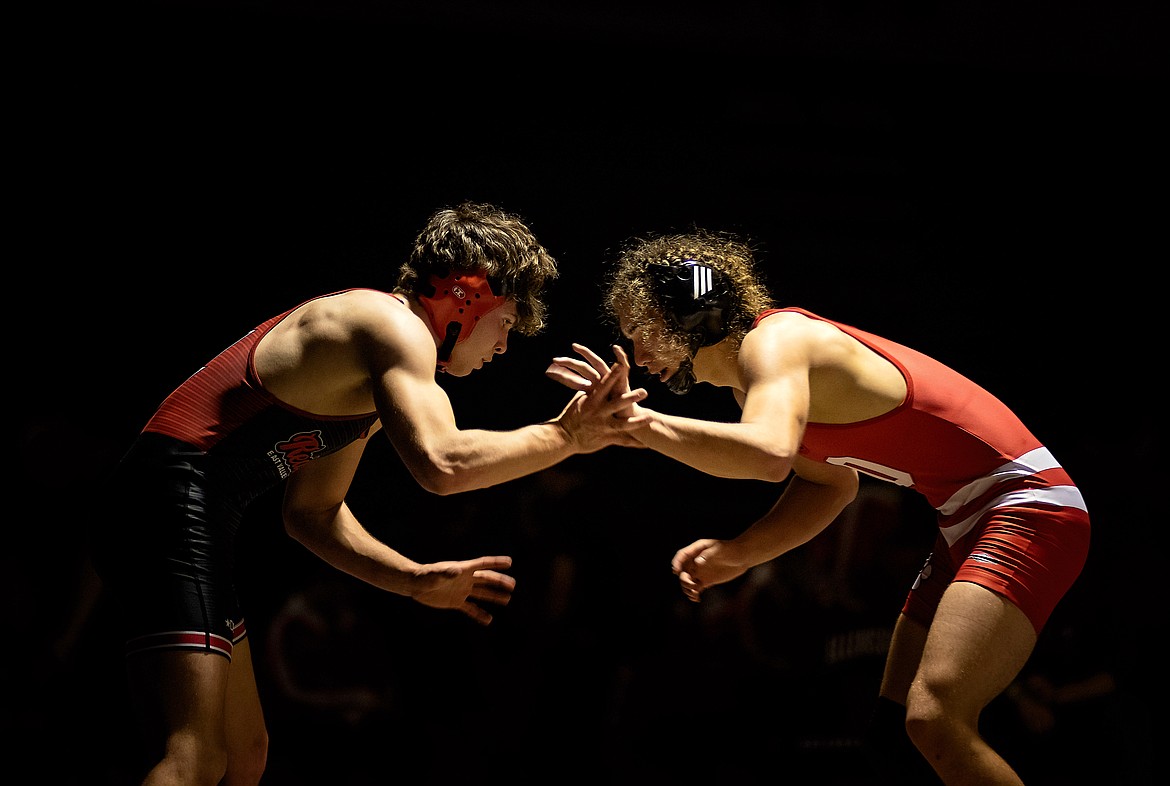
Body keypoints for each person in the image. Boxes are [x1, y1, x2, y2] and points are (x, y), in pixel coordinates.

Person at [91, 201, 648, 786]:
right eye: (506, 321)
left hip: (179, 513)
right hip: (164, 505)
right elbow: (442, 463)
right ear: (468, 295)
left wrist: (412, 579)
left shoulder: (377, 365)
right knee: (195, 758)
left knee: (243, 755)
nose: (504, 345)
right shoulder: (390, 326)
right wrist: (566, 436)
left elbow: (313, 514)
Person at [546, 229, 1090, 785]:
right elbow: (828, 485)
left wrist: (641, 426)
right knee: (893, 733)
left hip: (1029, 505)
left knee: (936, 719)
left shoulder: (777, 342)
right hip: (970, 518)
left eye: (645, 334)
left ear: (693, 312)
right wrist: (742, 551)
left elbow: (768, 454)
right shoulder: (756, 380)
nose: (639, 357)